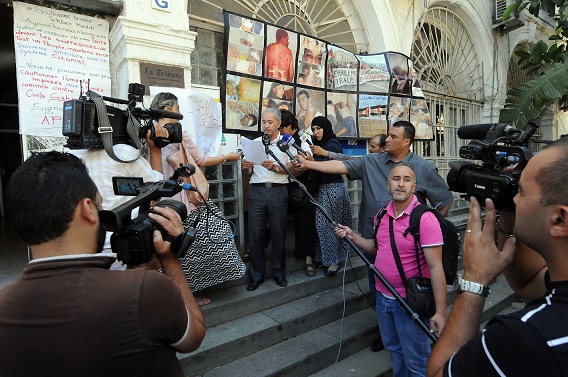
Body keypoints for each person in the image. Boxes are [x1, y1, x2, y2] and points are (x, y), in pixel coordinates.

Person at [0, 151, 205, 376]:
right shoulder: (145, 290)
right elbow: (193, 337)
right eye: (100, 204)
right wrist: (169, 261)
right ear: (87, 209)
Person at [296, 120, 453, 351]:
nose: (387, 139)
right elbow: (338, 167)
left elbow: (445, 200)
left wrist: (428, 229)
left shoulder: (423, 168)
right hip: (373, 242)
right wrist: (308, 164)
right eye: (387, 135)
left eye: (393, 136)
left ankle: (411, 331)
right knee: (378, 289)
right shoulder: (372, 162)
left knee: (409, 292)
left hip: (410, 250)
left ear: (407, 141)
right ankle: (386, 330)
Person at [427, 138, 568, 377]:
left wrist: (474, 280)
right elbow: (529, 283)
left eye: (521, 191)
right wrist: (507, 217)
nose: (513, 198)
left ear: (560, 219)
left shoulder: (524, 336)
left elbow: (438, 373)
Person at [335, 163, 446, 376]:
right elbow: (377, 248)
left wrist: (440, 312)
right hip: (383, 298)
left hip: (409, 303)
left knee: (417, 361)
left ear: (414, 186)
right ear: (388, 185)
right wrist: (352, 236)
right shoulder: (381, 215)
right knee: (395, 350)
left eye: (406, 179)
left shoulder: (425, 218)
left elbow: (436, 267)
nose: (401, 184)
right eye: (396, 179)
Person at [150, 92, 246, 306]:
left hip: (158, 198)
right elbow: (201, 159)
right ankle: (183, 296)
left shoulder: (146, 133)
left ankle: (177, 296)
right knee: (185, 249)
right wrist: (227, 157)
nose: (180, 112)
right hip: (182, 198)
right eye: (177, 108)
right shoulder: (178, 133)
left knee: (167, 249)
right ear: (169, 108)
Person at [242, 108, 302, 291]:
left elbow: (296, 167)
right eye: (264, 122)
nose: (266, 126)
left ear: (278, 124)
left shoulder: (287, 144)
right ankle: (256, 276)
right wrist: (246, 166)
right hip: (257, 191)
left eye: (270, 122)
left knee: (278, 234)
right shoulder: (254, 143)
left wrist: (276, 168)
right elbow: (248, 172)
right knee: (256, 235)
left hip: (278, 191)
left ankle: (278, 272)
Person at [310, 116, 352, 275]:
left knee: (332, 225)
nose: (316, 132)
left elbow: (334, 165)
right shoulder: (320, 145)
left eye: (318, 128)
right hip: (324, 189)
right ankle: (326, 258)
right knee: (322, 225)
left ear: (325, 128)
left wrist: (315, 158)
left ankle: (333, 262)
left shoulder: (331, 144)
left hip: (333, 189)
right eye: (313, 129)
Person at [279, 109, 317, 277]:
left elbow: (307, 158)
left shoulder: (302, 138)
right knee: (272, 218)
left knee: (305, 222)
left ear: (288, 125)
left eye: (281, 128)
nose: (280, 132)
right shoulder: (277, 140)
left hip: (302, 185)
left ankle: (308, 258)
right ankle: (255, 249)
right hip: (282, 183)